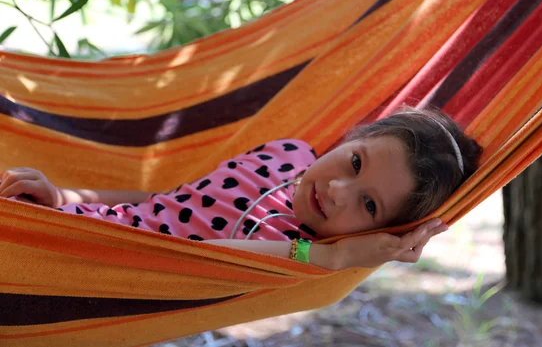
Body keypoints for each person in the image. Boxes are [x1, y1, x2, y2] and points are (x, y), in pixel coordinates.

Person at [0, 106, 481, 271]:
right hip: (63, 224)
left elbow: (210, 258)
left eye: (369, 204)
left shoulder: (303, 250)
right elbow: (168, 200)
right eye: (355, 162)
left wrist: (336, 259)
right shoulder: (287, 152)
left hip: (86, 259)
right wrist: (64, 195)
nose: (337, 190)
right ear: (352, 137)